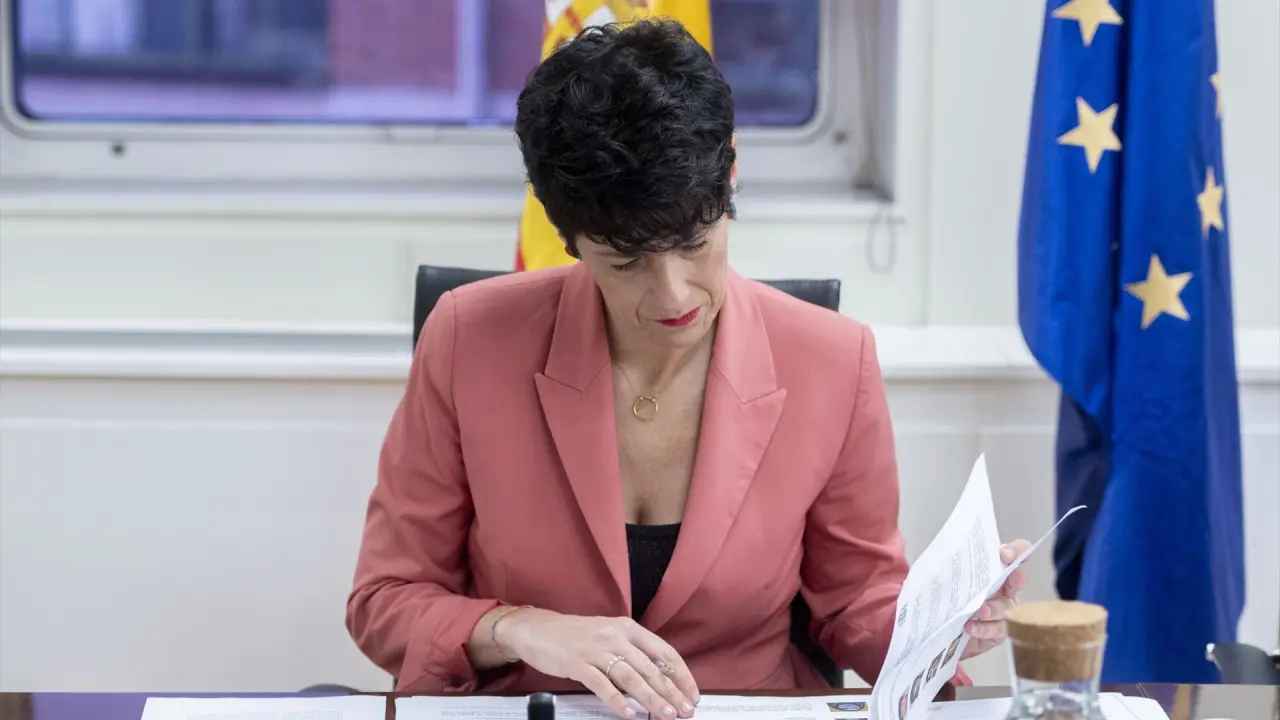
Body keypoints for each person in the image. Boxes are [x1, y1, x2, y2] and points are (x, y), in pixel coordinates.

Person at [346, 18, 1028, 719]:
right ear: (567, 237)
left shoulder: (834, 360)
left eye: (694, 243)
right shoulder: (469, 338)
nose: (673, 295)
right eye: (627, 262)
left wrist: (943, 627)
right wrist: (522, 629)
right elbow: (386, 601)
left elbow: (856, 603)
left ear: (730, 177)